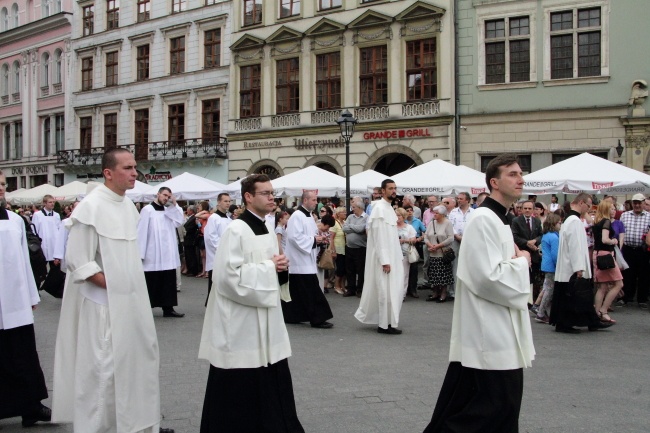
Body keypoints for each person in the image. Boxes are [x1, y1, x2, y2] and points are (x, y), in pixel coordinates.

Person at [52, 148, 174, 433]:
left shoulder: (128, 206)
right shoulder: (91, 207)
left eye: (135, 167)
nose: (135, 173)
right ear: (108, 173)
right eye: (128, 168)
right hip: (102, 306)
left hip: (130, 300)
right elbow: (79, 261)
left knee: (133, 365)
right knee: (103, 368)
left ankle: (133, 424)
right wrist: (114, 284)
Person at [423, 154, 535, 433]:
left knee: (485, 406)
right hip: (491, 331)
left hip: (499, 325)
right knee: (491, 409)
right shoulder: (484, 219)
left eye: (521, 173)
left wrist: (517, 259)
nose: (520, 178)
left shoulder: (500, 218)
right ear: (494, 182)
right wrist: (522, 262)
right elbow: (487, 277)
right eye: (512, 174)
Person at [198, 174, 303, 433]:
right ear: (248, 197)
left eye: (272, 193)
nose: (272, 198)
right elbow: (225, 278)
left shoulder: (266, 226)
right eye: (265, 193)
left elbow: (267, 266)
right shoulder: (236, 229)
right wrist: (270, 268)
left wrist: (279, 268)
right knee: (242, 380)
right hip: (241, 320)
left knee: (270, 372)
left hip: (265, 317)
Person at [0, 170, 51, 428]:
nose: (0, 188)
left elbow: (24, 259)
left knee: (23, 355)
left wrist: (32, 293)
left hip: (14, 299)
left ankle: (31, 406)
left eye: (1, 184)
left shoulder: (14, 219)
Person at [550, 193, 612, 334]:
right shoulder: (574, 221)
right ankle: (572, 323)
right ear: (582, 203)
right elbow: (575, 245)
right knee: (578, 295)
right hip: (572, 267)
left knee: (577, 296)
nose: (589, 209)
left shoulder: (569, 219)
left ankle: (591, 321)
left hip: (568, 266)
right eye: (589, 206)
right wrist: (579, 267)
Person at [355, 179, 405, 335]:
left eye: (395, 188)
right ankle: (384, 324)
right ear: (383, 190)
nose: (393, 191)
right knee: (384, 291)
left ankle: (389, 322)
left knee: (393, 291)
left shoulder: (389, 208)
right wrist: (385, 260)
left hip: (393, 257)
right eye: (390, 188)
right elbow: (379, 237)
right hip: (385, 260)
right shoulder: (378, 209)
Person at [282, 191, 334, 329]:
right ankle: (318, 318)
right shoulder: (297, 216)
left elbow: (311, 234)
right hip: (299, 260)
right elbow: (294, 237)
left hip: (305, 259)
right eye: (313, 199)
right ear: (305, 200)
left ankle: (292, 315)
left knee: (297, 292)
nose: (316, 202)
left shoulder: (309, 216)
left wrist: (319, 239)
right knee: (312, 290)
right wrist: (313, 240)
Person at [138, 187, 185, 318]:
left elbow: (179, 221)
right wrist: (140, 253)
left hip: (167, 253)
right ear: (158, 194)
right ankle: (145, 309)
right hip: (152, 253)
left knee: (168, 281)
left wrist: (173, 206)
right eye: (164, 195)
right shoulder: (147, 210)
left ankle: (168, 308)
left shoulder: (169, 210)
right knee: (152, 281)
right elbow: (141, 232)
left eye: (168, 196)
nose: (166, 198)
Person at [592, 200, 623, 324]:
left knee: (602, 286)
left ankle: (597, 312)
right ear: (605, 209)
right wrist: (613, 241)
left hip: (597, 253)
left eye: (614, 208)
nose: (614, 211)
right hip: (605, 254)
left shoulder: (597, 222)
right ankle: (604, 310)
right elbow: (605, 240)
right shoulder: (606, 222)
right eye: (611, 208)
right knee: (618, 284)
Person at [618, 193, 650, 308]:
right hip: (628, 249)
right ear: (632, 203)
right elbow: (620, 232)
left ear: (643, 203)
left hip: (642, 250)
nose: (637, 205)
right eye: (635, 203)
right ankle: (626, 298)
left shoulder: (649, 216)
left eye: (639, 203)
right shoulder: (624, 215)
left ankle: (642, 300)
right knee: (627, 274)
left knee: (643, 275)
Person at [511, 200, 543, 304]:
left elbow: (541, 235)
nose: (527, 211)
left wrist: (535, 241)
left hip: (534, 254)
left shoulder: (537, 221)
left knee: (534, 279)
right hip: (522, 253)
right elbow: (514, 236)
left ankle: (532, 302)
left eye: (529, 208)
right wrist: (527, 243)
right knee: (523, 278)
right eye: (525, 208)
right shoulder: (516, 221)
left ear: (533, 210)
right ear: (521, 209)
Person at [203, 193, 233, 305]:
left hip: (227, 254)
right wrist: (222, 249)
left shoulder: (229, 219)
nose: (228, 203)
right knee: (215, 281)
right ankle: (210, 304)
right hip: (217, 255)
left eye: (229, 201)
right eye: (225, 201)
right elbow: (211, 237)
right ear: (219, 202)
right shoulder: (213, 218)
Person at [423, 205, 454, 303]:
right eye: (434, 213)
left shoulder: (447, 223)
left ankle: (443, 293)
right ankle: (435, 293)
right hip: (432, 253)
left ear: (442, 214)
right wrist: (429, 245)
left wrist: (438, 246)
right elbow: (426, 236)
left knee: (443, 275)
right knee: (433, 275)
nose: (434, 215)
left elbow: (450, 238)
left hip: (442, 253)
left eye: (437, 213)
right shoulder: (431, 223)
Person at [534, 212, 561, 324]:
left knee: (546, 288)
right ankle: (541, 312)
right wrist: (558, 264)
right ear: (554, 224)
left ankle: (540, 310)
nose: (560, 224)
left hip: (546, 264)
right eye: (559, 223)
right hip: (552, 266)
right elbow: (555, 254)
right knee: (549, 290)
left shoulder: (546, 235)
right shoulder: (554, 237)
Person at [31, 194, 62, 287]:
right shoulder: (37, 215)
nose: (52, 204)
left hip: (54, 246)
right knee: (39, 270)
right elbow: (34, 230)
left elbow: (59, 229)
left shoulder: (56, 215)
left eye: (53, 202)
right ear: (45, 203)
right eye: (50, 202)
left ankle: (54, 288)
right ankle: (36, 288)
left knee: (56, 270)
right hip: (42, 246)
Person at [448, 192, 473, 300]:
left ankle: (468, 290)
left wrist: (466, 237)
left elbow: (474, 225)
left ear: (467, 200)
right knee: (455, 264)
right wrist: (456, 236)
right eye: (458, 198)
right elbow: (450, 225)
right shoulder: (453, 212)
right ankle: (454, 291)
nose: (459, 200)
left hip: (469, 240)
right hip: (455, 239)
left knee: (469, 264)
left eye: (461, 199)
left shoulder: (474, 212)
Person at [343, 198, 368, 298]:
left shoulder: (366, 217)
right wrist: (355, 228)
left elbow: (361, 229)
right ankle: (351, 289)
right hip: (349, 247)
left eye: (354, 207)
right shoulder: (350, 216)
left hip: (360, 248)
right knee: (350, 269)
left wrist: (351, 226)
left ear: (360, 207)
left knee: (361, 270)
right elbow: (344, 228)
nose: (353, 209)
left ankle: (360, 289)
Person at [404, 205, 425, 298]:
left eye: (411, 210)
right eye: (407, 210)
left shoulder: (417, 221)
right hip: (403, 245)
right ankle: (405, 289)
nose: (409, 212)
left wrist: (420, 238)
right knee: (404, 268)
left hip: (414, 244)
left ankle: (413, 289)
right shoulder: (401, 221)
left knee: (414, 268)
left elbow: (425, 232)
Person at [396, 207, 417, 300]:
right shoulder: (392, 226)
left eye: (399, 215)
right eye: (395, 215)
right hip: (394, 253)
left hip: (404, 253)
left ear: (403, 216)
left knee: (404, 275)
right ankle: (394, 293)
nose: (397, 217)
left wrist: (404, 240)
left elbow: (414, 239)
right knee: (394, 275)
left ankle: (402, 294)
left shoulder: (409, 227)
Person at [419, 196, 440, 291]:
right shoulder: (426, 212)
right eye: (429, 201)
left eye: (433, 201)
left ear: (437, 202)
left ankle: (436, 283)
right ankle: (426, 282)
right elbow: (423, 226)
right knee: (426, 262)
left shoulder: (440, 212)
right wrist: (425, 237)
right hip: (427, 240)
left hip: (438, 241)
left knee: (437, 263)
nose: (431, 203)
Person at [329, 207, 347, 295]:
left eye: (345, 212)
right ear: (338, 214)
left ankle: (342, 285)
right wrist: (333, 250)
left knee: (344, 268)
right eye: (343, 212)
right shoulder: (335, 223)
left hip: (345, 248)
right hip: (338, 248)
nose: (345, 213)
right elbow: (331, 238)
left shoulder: (345, 222)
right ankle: (336, 286)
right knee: (339, 268)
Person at [182, 206, 200, 276]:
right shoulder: (190, 218)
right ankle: (190, 269)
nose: (187, 211)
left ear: (191, 211)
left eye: (188, 210)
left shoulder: (194, 218)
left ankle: (193, 270)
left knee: (191, 255)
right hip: (187, 239)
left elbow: (196, 226)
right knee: (188, 255)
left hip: (191, 239)